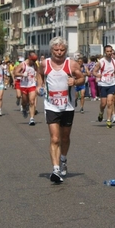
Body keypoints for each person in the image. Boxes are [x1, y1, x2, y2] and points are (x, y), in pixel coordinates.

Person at [36, 36, 84, 183]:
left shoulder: (72, 64)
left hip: (68, 106)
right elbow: (39, 75)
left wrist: (75, 81)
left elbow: (82, 78)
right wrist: (39, 86)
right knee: (55, 138)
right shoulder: (45, 64)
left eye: (62, 50)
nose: (59, 53)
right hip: (51, 106)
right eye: (56, 50)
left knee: (65, 137)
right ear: (51, 50)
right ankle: (55, 169)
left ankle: (63, 159)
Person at [92, 45, 115, 128]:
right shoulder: (101, 62)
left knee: (110, 102)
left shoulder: (114, 62)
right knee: (103, 104)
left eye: (110, 51)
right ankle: (101, 112)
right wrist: (98, 75)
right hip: (103, 84)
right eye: (107, 51)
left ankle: (108, 120)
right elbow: (94, 72)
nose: (109, 53)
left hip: (111, 84)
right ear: (105, 52)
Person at [14, 52, 38, 125]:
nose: (33, 62)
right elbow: (15, 73)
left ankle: (31, 119)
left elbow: (38, 73)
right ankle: (24, 108)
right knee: (24, 102)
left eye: (35, 61)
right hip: (24, 86)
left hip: (32, 85)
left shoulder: (34, 65)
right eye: (32, 60)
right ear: (29, 58)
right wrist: (22, 74)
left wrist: (37, 79)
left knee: (32, 101)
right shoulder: (23, 64)